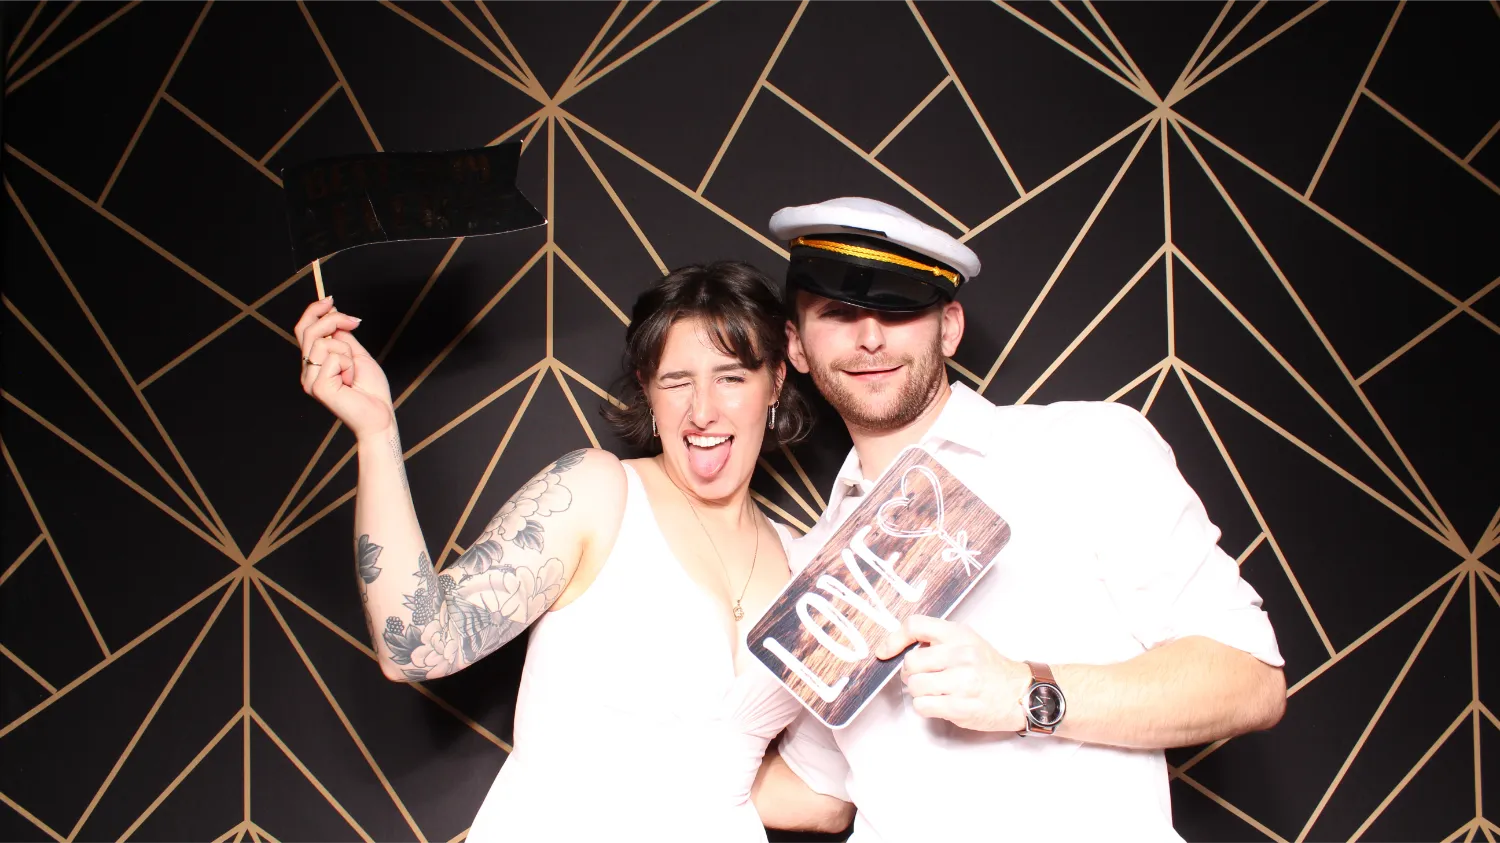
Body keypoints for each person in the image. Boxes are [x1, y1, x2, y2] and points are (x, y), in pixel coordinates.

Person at [749, 198, 1287, 842]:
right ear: (796, 346)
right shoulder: (812, 566)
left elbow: (1250, 681)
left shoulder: (1085, 447)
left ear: (948, 328)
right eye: (837, 314)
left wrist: (1026, 696)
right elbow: (821, 791)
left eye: (899, 310)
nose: (870, 338)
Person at [293, 261, 854, 841]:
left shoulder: (806, 567)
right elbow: (415, 645)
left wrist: (710, 785)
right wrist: (377, 431)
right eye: (676, 380)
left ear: (777, 382)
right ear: (647, 389)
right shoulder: (596, 493)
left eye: (732, 377)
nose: (703, 409)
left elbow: (826, 800)